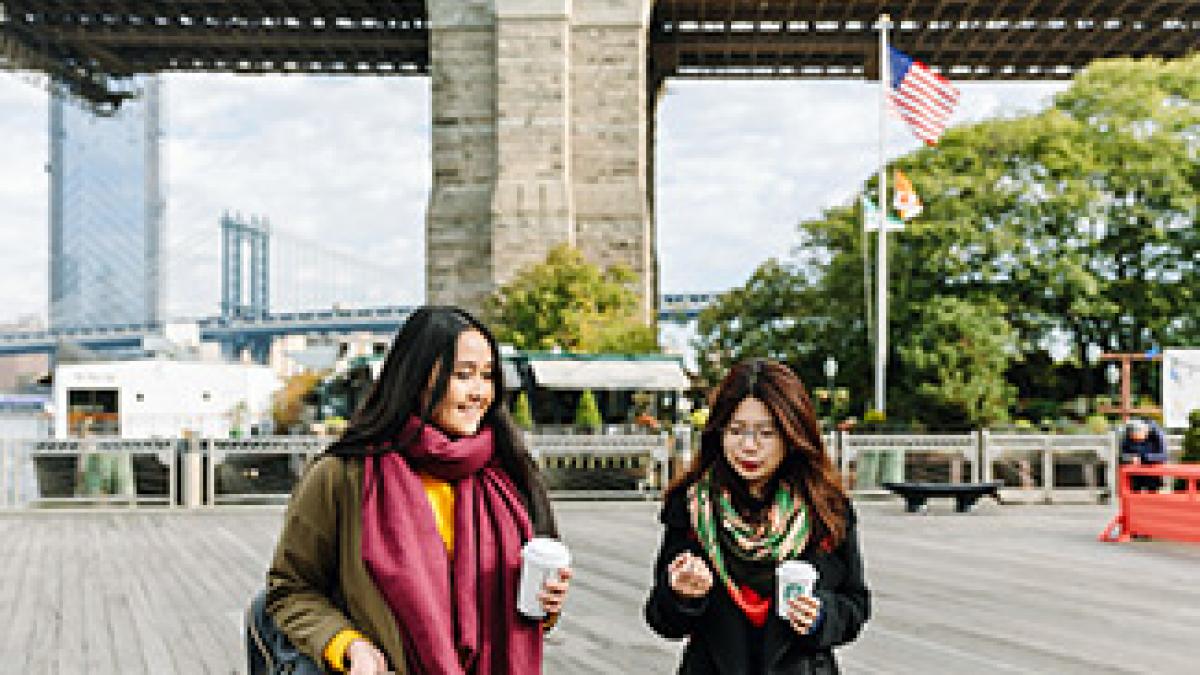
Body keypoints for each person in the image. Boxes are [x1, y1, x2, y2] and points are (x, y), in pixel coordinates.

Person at [266, 306, 571, 674]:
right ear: (415, 378)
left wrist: (547, 607)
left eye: (488, 376)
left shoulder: (509, 476)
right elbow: (291, 588)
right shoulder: (343, 475)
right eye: (463, 375)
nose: (479, 392)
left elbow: (521, 615)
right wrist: (348, 644)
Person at [645, 358, 870, 674]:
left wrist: (820, 616)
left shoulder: (824, 508)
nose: (748, 447)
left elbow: (855, 604)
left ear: (791, 435)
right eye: (736, 430)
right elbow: (662, 618)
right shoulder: (694, 505)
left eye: (766, 433)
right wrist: (683, 596)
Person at [1119, 418, 1169, 493]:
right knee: (1134, 493)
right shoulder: (1127, 434)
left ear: (1146, 432)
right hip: (1135, 472)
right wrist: (1130, 458)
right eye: (1134, 440)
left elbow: (1164, 456)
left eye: (1140, 439)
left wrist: (1144, 457)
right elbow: (1122, 455)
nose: (1137, 443)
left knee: (1152, 494)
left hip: (1152, 471)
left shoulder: (1158, 435)